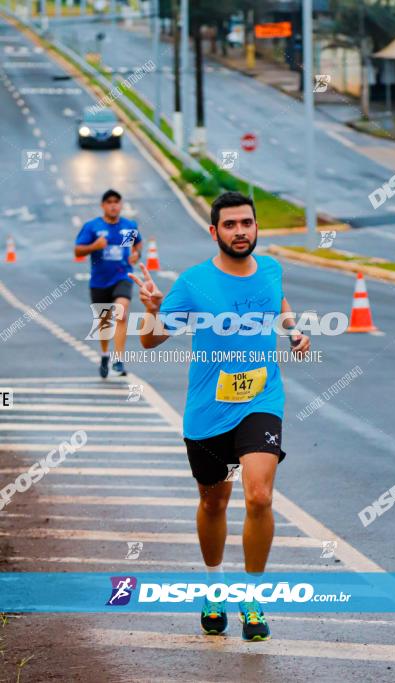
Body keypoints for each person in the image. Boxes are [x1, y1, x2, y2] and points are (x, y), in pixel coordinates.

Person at [129, 191, 310, 642]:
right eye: (230, 225)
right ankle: (214, 589)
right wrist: (152, 313)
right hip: (208, 412)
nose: (240, 231)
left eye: (246, 223)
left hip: (261, 401)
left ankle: (252, 598)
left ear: (256, 228)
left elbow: (279, 301)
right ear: (214, 232)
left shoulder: (271, 268)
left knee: (260, 496)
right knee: (214, 501)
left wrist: (293, 330)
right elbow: (150, 343)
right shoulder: (192, 283)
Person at [74, 189, 142, 377]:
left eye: (117, 202)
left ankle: (118, 360)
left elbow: (137, 244)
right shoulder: (93, 227)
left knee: (120, 313)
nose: (113, 205)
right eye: (109, 202)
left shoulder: (128, 226)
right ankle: (105, 355)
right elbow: (78, 251)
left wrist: (136, 254)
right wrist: (94, 247)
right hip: (99, 281)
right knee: (104, 322)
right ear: (103, 205)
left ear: (121, 205)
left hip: (123, 276)